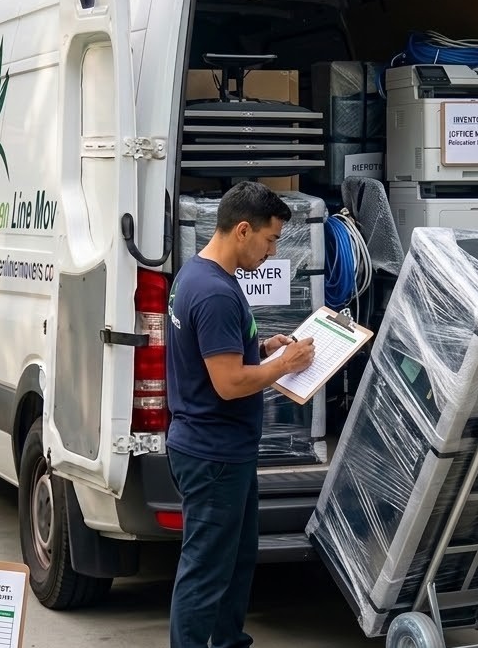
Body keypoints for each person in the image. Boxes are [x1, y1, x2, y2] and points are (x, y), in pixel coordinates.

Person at [166, 181, 316, 648]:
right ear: (244, 230)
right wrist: (282, 366)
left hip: (224, 451)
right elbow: (228, 383)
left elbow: (219, 351)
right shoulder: (214, 292)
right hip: (213, 455)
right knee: (206, 571)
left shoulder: (201, 274)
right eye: (271, 240)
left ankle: (228, 642)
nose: (273, 251)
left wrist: (263, 346)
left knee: (235, 561)